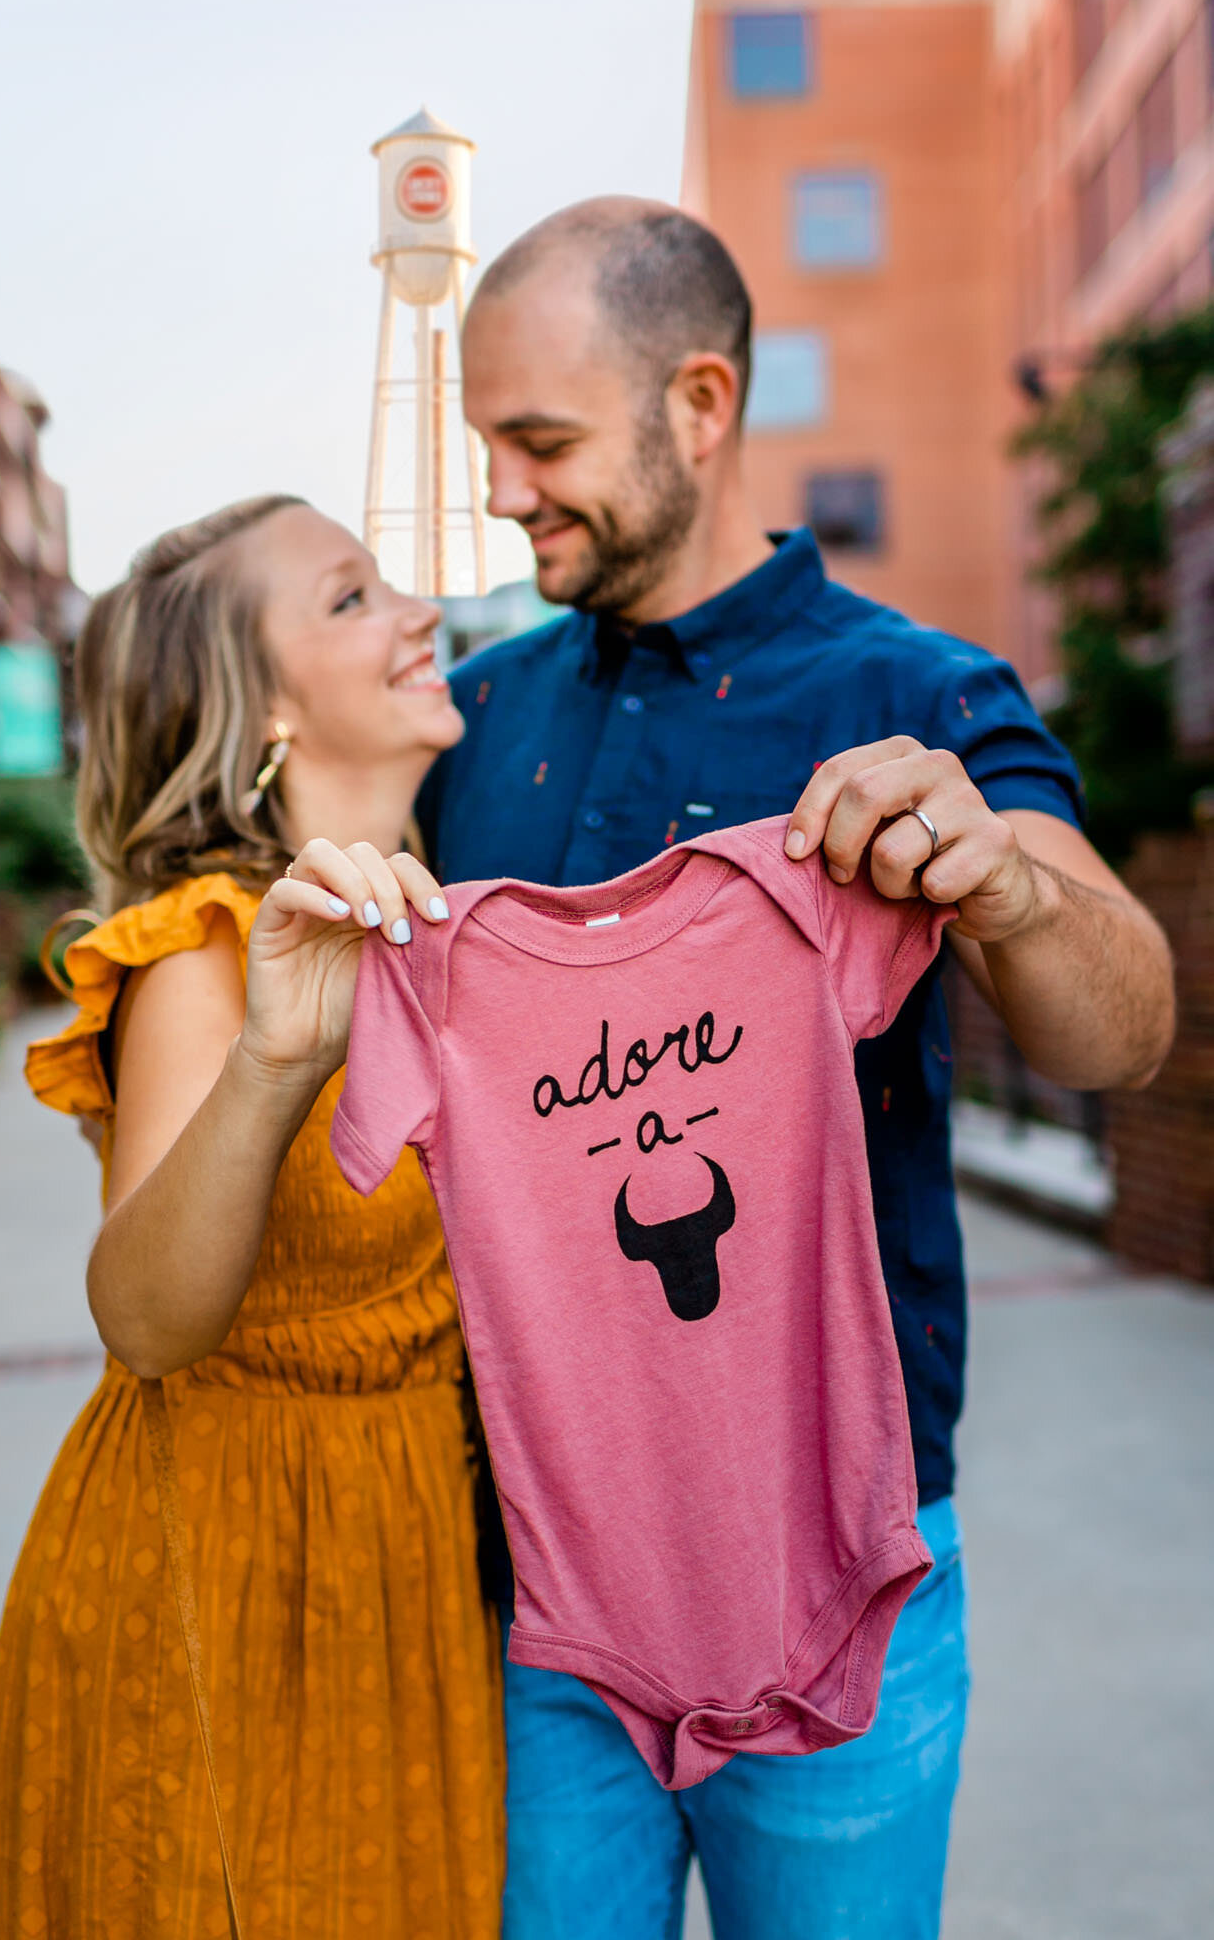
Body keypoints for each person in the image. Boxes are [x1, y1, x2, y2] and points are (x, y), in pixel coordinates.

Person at [418, 200, 1175, 1940]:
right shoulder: (476, 715)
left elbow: (1118, 1026)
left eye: (541, 442)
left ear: (698, 403)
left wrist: (995, 878)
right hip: (540, 1579)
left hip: (844, 1563)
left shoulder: (911, 690)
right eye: (487, 448)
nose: (506, 491)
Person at [0, 496, 504, 1940]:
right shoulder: (205, 949)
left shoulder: (454, 928)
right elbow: (144, 1320)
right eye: (349, 599)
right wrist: (275, 1065)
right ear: (256, 701)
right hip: (223, 1577)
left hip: (404, 1576)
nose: (415, 614)